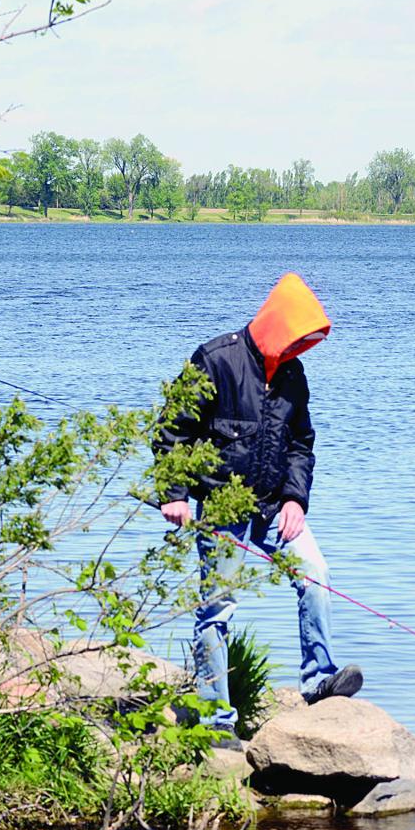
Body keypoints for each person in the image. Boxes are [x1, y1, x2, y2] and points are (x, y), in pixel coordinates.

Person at [154, 272, 362, 747]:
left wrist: (295, 498)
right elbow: (171, 432)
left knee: (315, 575)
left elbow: (301, 445)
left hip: (273, 504)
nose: (299, 350)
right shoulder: (215, 360)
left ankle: (318, 682)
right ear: (277, 325)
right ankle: (216, 719)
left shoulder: (292, 374)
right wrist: (174, 495)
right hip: (222, 504)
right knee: (217, 610)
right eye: (296, 339)